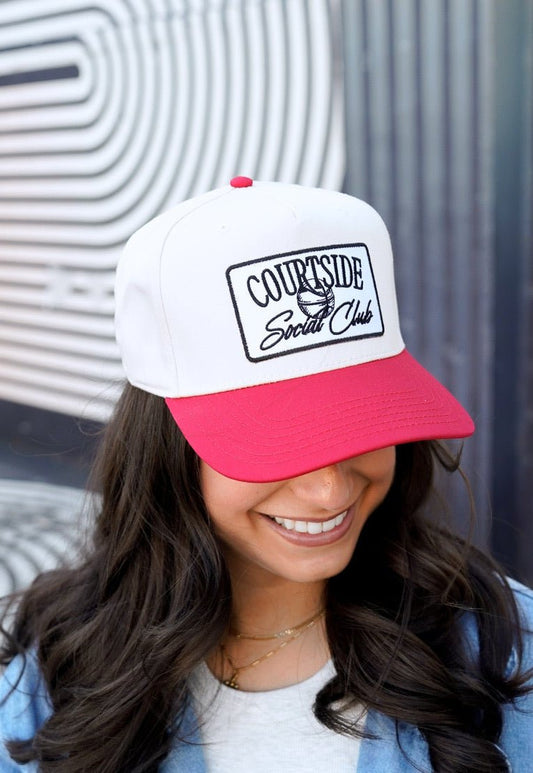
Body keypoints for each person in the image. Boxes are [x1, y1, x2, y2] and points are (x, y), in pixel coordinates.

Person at [0, 177, 532, 773]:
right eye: (277, 443)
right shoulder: (58, 668)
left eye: (361, 424)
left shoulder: (506, 653)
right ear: (167, 450)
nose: (330, 490)